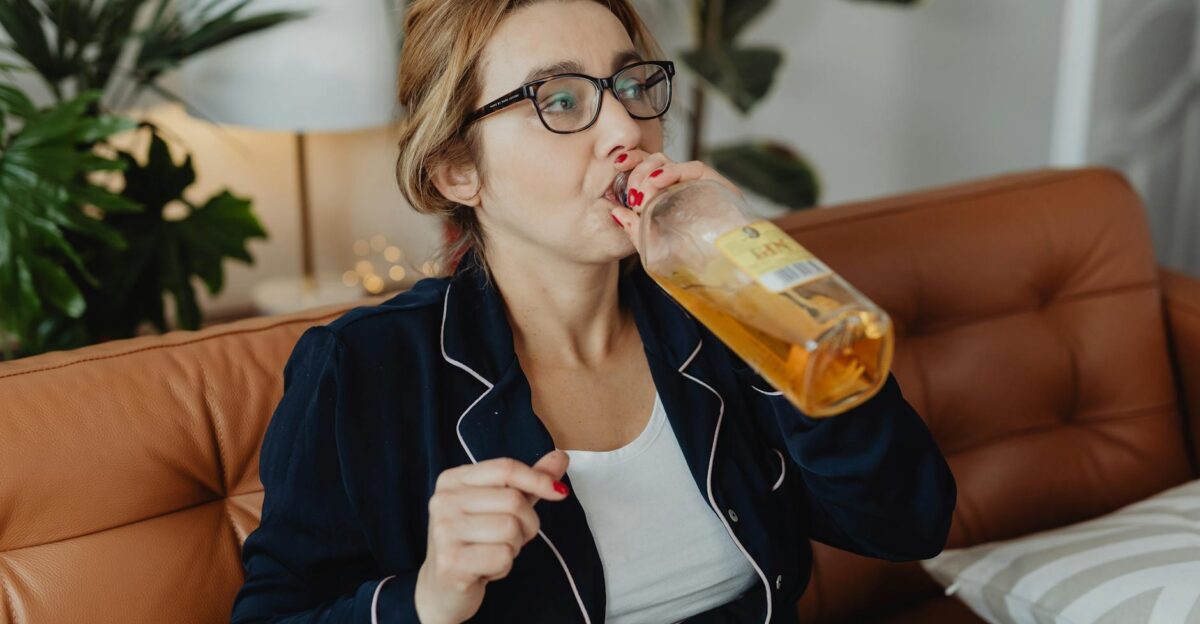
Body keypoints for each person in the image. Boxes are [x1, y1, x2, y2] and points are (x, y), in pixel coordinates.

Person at [229, 1, 958, 622]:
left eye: (633, 85)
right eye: (562, 101)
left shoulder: (721, 312)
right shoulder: (365, 368)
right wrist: (427, 598)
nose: (628, 132)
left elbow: (908, 523)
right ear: (459, 169)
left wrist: (766, 300)